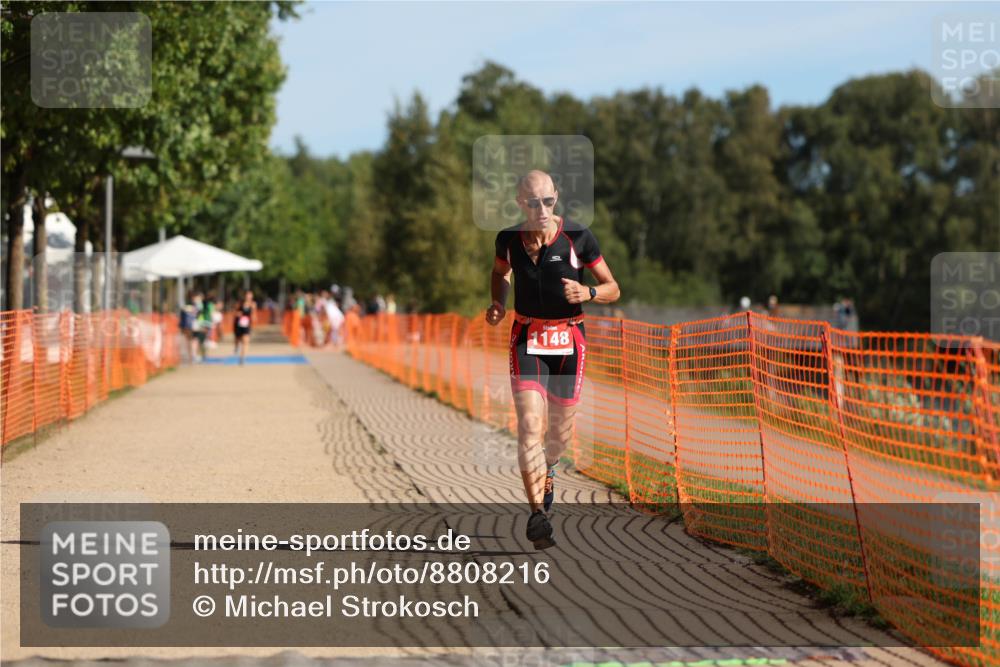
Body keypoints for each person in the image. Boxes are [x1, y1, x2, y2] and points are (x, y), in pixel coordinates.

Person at [486, 170, 620, 549]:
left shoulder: (578, 237)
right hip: (527, 337)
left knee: (558, 434)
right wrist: (498, 302)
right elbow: (500, 272)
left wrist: (588, 293)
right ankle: (537, 516)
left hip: (570, 339)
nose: (541, 209)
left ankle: (551, 470)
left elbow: (614, 288)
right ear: (520, 204)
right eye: (533, 203)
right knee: (529, 424)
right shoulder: (508, 240)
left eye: (547, 201)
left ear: (556, 197)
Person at [234, 290, 256, 365]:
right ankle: (236, 347)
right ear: (245, 296)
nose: (249, 296)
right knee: (238, 339)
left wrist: (254, 318)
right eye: (248, 295)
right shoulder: (240, 303)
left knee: (246, 341)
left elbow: (253, 314)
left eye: (250, 295)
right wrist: (238, 314)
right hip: (239, 324)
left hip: (247, 325)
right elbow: (235, 312)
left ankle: (242, 359)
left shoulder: (253, 304)